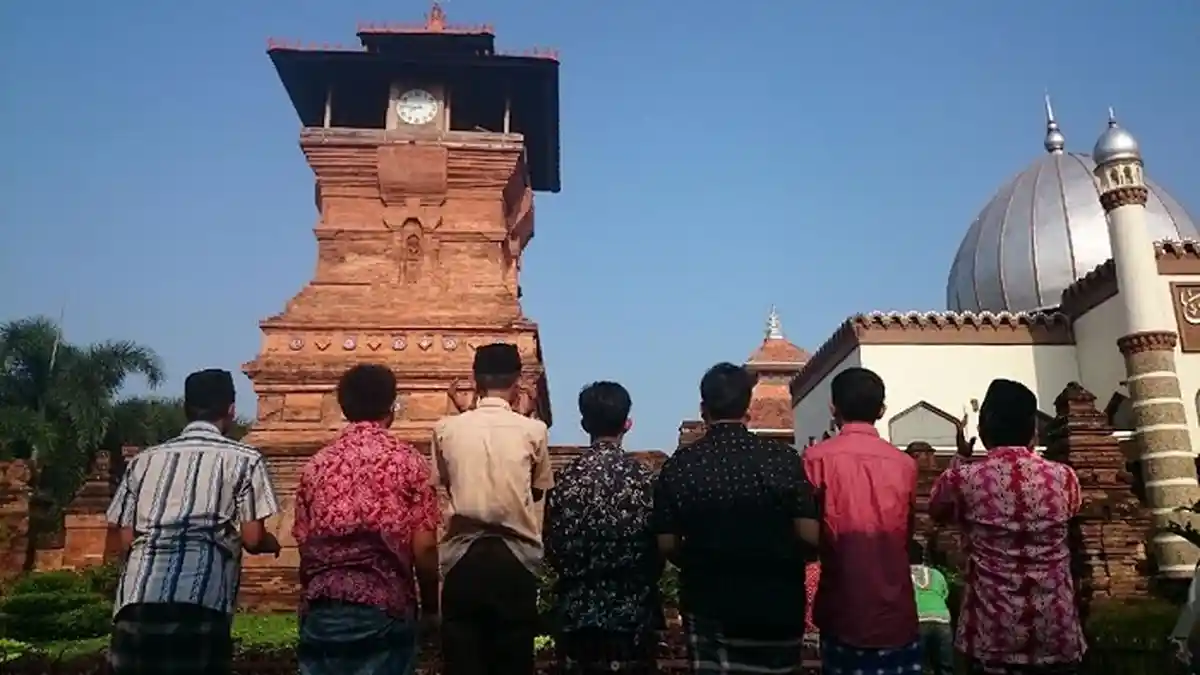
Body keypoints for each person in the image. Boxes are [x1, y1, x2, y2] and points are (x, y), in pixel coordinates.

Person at [106, 368, 281, 675]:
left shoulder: (144, 460)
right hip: (201, 597)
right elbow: (253, 539)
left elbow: (124, 538)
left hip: (137, 597)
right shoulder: (244, 458)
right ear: (231, 409)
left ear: (186, 408)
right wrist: (271, 543)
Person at [653, 362, 820, 674]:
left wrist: (697, 560)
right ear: (749, 408)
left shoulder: (681, 466)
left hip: (709, 606)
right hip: (777, 605)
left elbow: (666, 544)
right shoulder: (782, 459)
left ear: (704, 409)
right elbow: (810, 534)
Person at [929, 378, 1085, 675]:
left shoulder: (963, 479)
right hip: (1057, 635)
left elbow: (937, 509)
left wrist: (961, 456)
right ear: (1033, 430)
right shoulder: (1064, 478)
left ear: (983, 429)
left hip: (991, 639)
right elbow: (1072, 513)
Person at [292, 364, 441, 675]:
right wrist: (430, 610)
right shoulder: (410, 462)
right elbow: (424, 548)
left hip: (323, 606)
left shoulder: (316, 466)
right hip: (384, 604)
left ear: (343, 407)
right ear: (392, 407)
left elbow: (305, 544)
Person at [433, 343, 554, 675]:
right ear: (518, 381)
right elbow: (537, 491)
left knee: (463, 665)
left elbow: (448, 482)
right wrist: (524, 417)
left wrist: (463, 413)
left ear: (475, 380)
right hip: (514, 561)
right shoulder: (534, 430)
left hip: (462, 560)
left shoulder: (446, 429)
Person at [803, 366, 921, 674]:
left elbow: (807, 535)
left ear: (833, 407)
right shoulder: (905, 465)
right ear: (882, 410)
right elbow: (908, 535)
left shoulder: (816, 459)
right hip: (896, 613)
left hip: (843, 611)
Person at [544, 381, 663, 674]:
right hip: (633, 614)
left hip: (578, 615)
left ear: (584, 424)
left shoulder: (565, 480)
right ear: (628, 423)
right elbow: (658, 548)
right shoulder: (644, 480)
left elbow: (553, 546)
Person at [910, 539, 953, 675]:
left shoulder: (902, 575)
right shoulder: (936, 574)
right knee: (945, 665)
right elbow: (945, 594)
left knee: (922, 666)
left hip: (919, 620)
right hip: (942, 621)